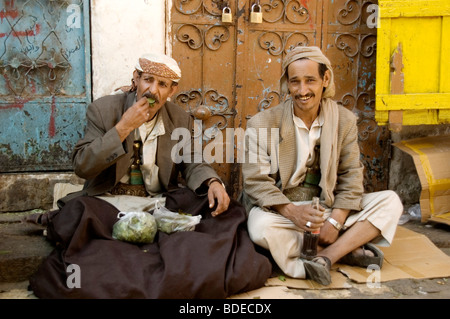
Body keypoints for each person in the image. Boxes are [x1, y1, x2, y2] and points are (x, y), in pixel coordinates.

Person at [28, 52, 272, 298]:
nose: (152, 90)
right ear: (136, 79)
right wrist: (123, 127)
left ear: (171, 90)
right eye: (148, 80)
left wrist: (212, 181)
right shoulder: (103, 110)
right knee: (81, 220)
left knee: (227, 211)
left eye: (162, 84)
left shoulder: (179, 119)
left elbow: (192, 162)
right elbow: (82, 166)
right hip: (108, 201)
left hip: (159, 202)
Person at [240, 46, 403, 286]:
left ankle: (327, 255)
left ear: (325, 80)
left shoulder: (343, 120)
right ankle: (347, 247)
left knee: (390, 202)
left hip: (326, 208)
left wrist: (335, 221)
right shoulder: (262, 123)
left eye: (310, 81)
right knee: (259, 228)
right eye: (295, 82)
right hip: (283, 210)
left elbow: (351, 176)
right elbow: (255, 181)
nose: (302, 90)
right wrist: (293, 213)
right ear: (287, 84)